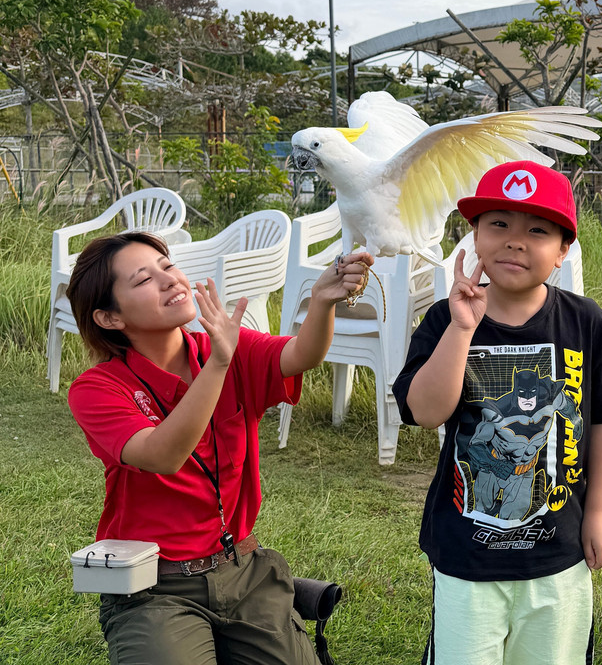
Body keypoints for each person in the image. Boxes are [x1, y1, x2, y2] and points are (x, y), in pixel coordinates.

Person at [65, 230, 372, 665]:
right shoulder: (98, 389)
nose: (169, 279)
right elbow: (162, 455)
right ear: (110, 318)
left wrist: (321, 302)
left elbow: (302, 355)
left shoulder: (228, 348)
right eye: (143, 279)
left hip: (242, 569)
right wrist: (219, 365)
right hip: (155, 589)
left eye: (167, 267)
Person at [393, 160, 602, 665]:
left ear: (562, 252)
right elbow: (424, 412)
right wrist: (462, 330)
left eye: (537, 230)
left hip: (558, 549)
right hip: (466, 548)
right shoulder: (446, 317)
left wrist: (598, 511)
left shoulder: (586, 322)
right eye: (499, 224)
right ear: (473, 237)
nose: (516, 241)